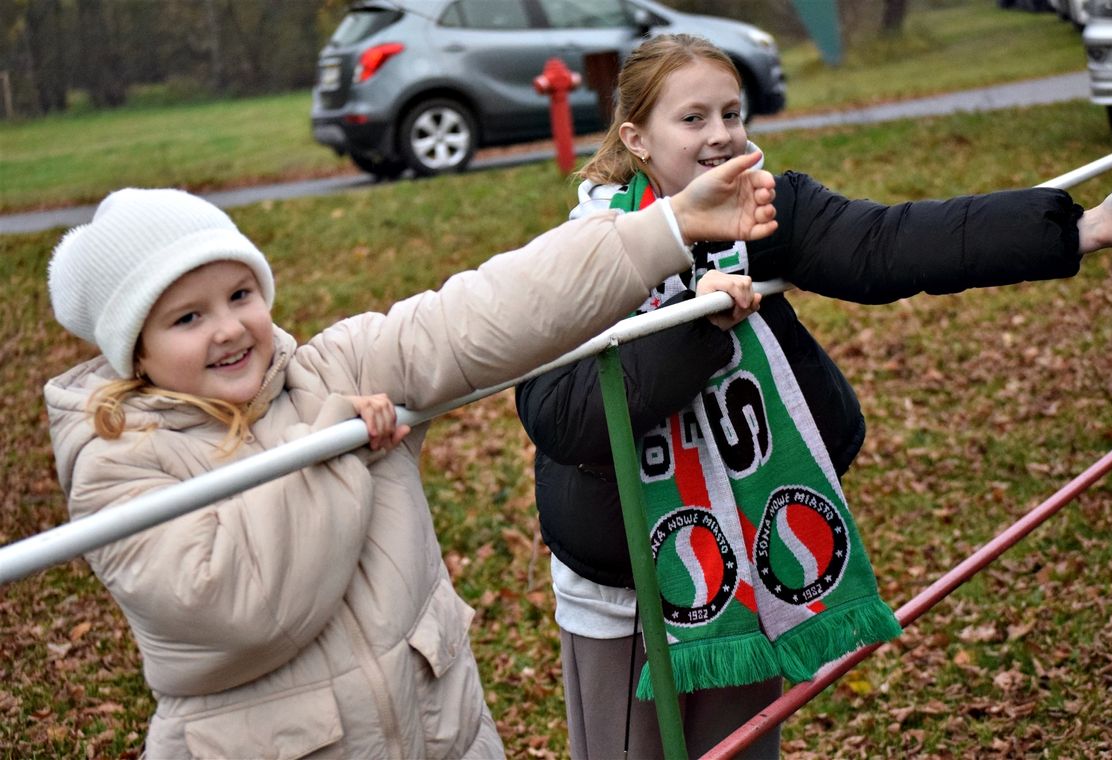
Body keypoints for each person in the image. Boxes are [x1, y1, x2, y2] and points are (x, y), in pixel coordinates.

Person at [514, 33, 1112, 760]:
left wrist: (1083, 228)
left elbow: (889, 243)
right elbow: (562, 417)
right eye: (693, 119)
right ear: (638, 138)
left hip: (753, 564)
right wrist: (693, 326)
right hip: (625, 587)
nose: (721, 136)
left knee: (742, 750)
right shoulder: (586, 250)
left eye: (732, 113)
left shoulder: (764, 211)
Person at [42, 157, 779, 760]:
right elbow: (236, 606)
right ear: (132, 346)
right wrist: (335, 443)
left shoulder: (330, 369)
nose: (231, 329)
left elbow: (481, 313)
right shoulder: (117, 461)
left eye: (240, 293)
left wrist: (663, 229)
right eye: (188, 317)